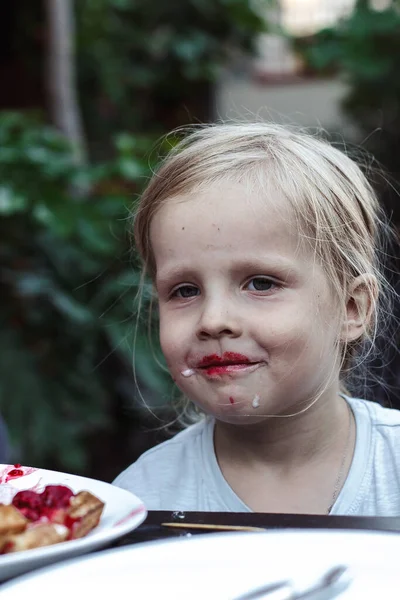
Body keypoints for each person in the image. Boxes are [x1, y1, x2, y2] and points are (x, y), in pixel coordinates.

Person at [113, 122, 400, 515]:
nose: (213, 320)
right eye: (185, 290)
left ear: (352, 309)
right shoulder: (139, 501)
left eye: (261, 283)